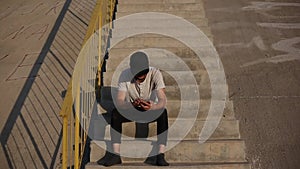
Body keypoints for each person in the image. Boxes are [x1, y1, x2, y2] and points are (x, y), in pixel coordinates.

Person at [98, 51, 169, 166]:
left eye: (142, 78)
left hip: (149, 109)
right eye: (137, 78)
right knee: (115, 113)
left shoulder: (156, 73)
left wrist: (152, 106)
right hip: (131, 109)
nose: (139, 80)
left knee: (163, 112)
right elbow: (119, 102)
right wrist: (132, 105)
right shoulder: (124, 75)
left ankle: (160, 154)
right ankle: (116, 154)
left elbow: (162, 100)